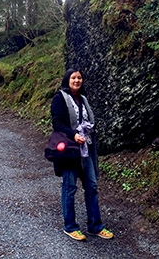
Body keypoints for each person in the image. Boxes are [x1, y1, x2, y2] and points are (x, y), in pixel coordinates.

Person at [50, 68, 114, 241]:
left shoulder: (83, 99)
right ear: (67, 80)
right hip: (70, 151)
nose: (77, 80)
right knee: (69, 188)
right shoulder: (59, 98)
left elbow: (89, 122)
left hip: (86, 150)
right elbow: (57, 123)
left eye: (79, 78)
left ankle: (95, 225)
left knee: (92, 186)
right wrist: (74, 134)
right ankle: (70, 226)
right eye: (73, 78)